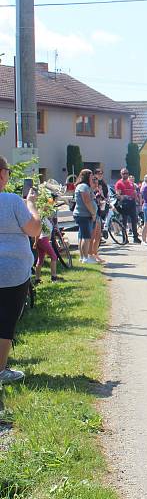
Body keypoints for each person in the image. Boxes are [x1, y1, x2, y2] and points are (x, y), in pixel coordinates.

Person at [0, 155, 41, 384]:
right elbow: (34, 229)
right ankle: (0, 371)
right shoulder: (12, 201)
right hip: (12, 271)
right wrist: (32, 205)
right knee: (5, 321)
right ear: (2, 174)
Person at [74, 169, 99, 263]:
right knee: (86, 237)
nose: (93, 177)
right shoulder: (83, 187)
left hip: (83, 214)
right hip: (84, 215)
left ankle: (82, 257)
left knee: (82, 236)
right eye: (91, 175)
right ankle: (85, 258)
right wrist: (93, 213)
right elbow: (87, 202)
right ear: (87, 176)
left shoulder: (85, 186)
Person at [114, 168, 141, 243]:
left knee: (134, 220)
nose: (125, 175)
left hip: (132, 203)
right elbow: (118, 195)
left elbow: (134, 192)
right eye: (123, 173)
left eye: (126, 173)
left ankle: (135, 237)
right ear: (121, 174)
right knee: (124, 221)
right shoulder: (119, 183)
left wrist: (136, 200)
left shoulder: (131, 183)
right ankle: (124, 238)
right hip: (124, 203)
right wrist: (124, 196)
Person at [34, 215, 60, 283]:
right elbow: (38, 232)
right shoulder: (43, 219)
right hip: (42, 240)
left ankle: (37, 279)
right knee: (54, 256)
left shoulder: (48, 219)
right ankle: (53, 277)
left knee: (40, 259)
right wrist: (35, 242)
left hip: (43, 240)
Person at [95, 168, 110, 239]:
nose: (100, 175)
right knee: (99, 218)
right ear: (95, 174)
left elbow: (106, 191)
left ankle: (100, 234)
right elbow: (99, 192)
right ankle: (99, 235)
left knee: (103, 217)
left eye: (101, 174)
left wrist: (107, 198)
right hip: (99, 201)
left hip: (104, 201)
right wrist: (104, 198)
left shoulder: (103, 182)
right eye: (99, 173)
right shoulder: (96, 182)